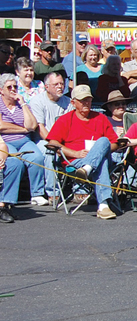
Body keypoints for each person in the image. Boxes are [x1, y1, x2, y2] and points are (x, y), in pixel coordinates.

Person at [45, 85, 122, 219]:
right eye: (82, 100)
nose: (86, 103)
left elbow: (114, 143)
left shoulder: (100, 118)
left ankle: (88, 168)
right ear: (73, 103)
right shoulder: (65, 120)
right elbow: (52, 143)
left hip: (87, 165)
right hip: (75, 161)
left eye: (88, 100)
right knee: (101, 161)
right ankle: (103, 205)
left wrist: (97, 152)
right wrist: (75, 153)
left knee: (103, 141)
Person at [0, 73, 47, 207]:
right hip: (6, 142)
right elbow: (1, 125)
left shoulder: (21, 104)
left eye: (15, 86)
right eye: (9, 87)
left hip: (24, 140)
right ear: (1, 90)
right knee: (17, 162)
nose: (13, 89)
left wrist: (23, 103)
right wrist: (23, 129)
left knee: (37, 158)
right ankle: (9, 200)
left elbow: (31, 126)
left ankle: (37, 194)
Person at [29, 72, 71, 202]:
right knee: (49, 151)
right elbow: (40, 129)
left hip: (65, 140)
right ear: (47, 86)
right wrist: (56, 145)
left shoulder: (68, 102)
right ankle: (53, 192)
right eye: (56, 84)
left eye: (62, 84)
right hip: (43, 140)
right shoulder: (38, 101)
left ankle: (81, 191)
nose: (60, 87)